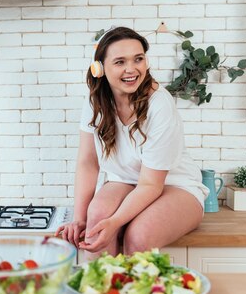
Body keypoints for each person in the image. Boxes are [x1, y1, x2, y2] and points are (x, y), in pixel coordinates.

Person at [55, 26, 208, 258]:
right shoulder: (95, 101)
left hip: (175, 186)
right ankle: (99, 291)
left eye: (138, 59)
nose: (131, 69)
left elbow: (150, 185)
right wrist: (80, 219)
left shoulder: (160, 104)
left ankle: (131, 292)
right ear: (99, 69)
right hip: (125, 181)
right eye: (119, 62)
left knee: (138, 236)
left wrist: (115, 222)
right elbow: (88, 162)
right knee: (96, 217)